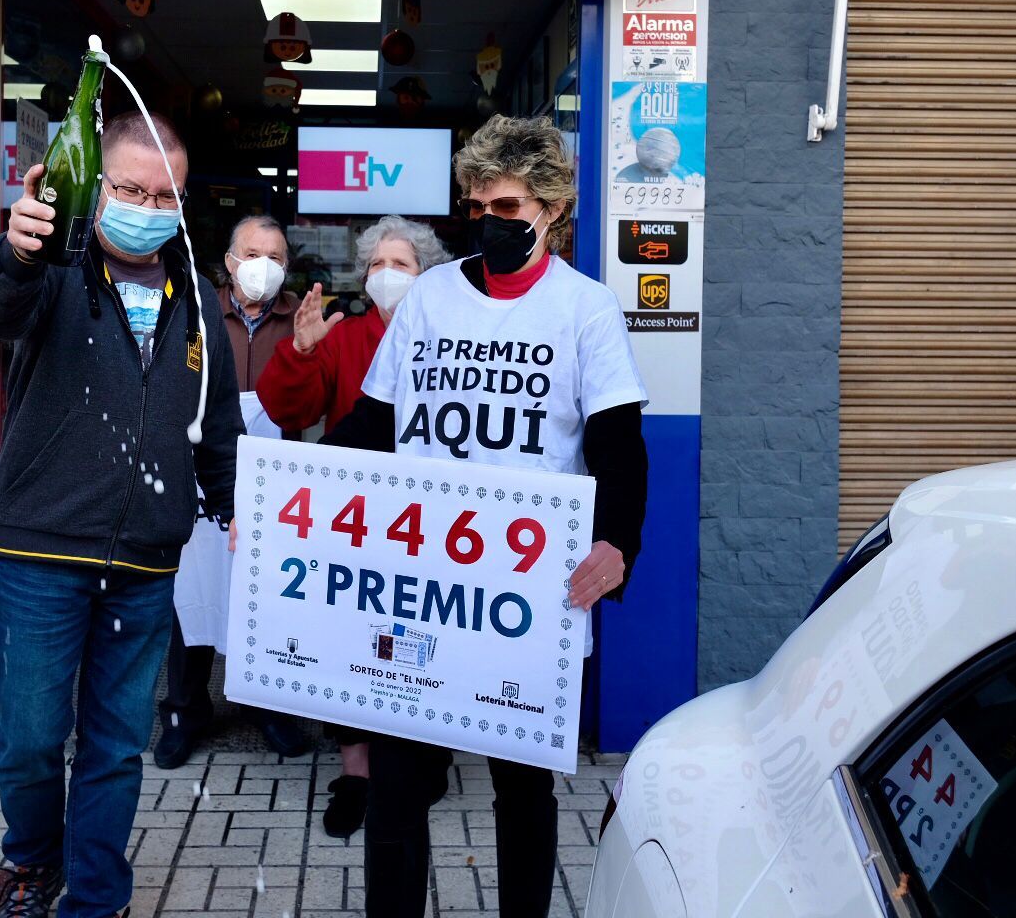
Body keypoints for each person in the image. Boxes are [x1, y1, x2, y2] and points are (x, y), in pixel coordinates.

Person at [325, 116, 649, 918]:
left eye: (505, 206)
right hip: (420, 581)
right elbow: (370, 426)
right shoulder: (430, 298)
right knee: (397, 786)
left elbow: (619, 447)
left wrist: (620, 544)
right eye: (475, 207)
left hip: (528, 592)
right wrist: (279, 499)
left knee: (522, 789)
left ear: (549, 209)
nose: (489, 222)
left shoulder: (587, 311)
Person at [0, 109, 243, 918]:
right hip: (39, 559)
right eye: (130, 188)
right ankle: (32, 858)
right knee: (29, 740)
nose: (149, 208)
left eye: (167, 196)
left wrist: (233, 511)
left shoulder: (195, 294)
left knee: (117, 748)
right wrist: (16, 250)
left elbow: (214, 421)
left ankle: (95, 896)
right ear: (99, 184)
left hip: (146, 567)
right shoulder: (53, 264)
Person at [256, 214, 451, 837]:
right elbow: (292, 407)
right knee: (354, 647)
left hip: (432, 523)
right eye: (376, 265)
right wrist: (303, 349)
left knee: (423, 640)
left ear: (428, 276)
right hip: (354, 522)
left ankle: (423, 754)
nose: (387, 276)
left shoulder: (454, 334)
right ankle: (356, 772)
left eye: (402, 265)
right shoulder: (344, 337)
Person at [154, 214, 310, 768]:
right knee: (191, 593)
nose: (262, 266)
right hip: (199, 470)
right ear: (228, 260)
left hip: (278, 482)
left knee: (269, 596)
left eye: (274, 256)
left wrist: (308, 351)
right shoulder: (192, 309)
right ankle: (183, 710)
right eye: (251, 253)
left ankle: (269, 706)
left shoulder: (302, 321)